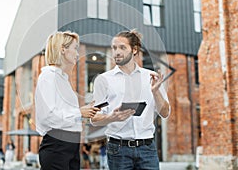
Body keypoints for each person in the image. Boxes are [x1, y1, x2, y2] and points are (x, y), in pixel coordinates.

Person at [91, 30, 170, 170]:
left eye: (122, 47)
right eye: (114, 48)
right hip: (118, 150)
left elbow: (165, 113)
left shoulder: (151, 77)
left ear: (134, 50)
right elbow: (94, 118)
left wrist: (155, 92)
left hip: (147, 149)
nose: (117, 52)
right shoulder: (103, 80)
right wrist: (111, 117)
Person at [35, 31, 100, 170]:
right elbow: (48, 116)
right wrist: (79, 113)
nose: (77, 53)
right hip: (57, 146)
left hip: (71, 145)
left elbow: (65, 114)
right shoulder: (48, 76)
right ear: (63, 49)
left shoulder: (62, 79)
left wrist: (87, 111)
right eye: (75, 48)